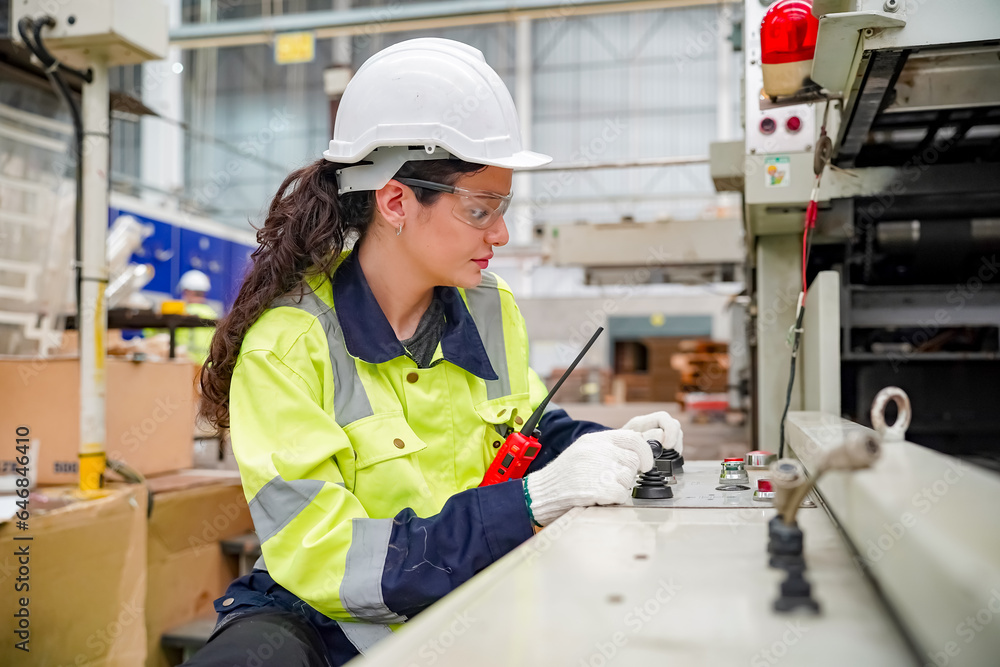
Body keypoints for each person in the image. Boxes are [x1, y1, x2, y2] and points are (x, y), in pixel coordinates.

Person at [190, 38, 683, 666]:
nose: (501, 234)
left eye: (501, 208)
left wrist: (609, 446)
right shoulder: (288, 347)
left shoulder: (487, 306)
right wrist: (527, 504)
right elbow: (331, 559)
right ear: (396, 202)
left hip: (464, 587)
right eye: (481, 210)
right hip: (324, 622)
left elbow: (527, 430)